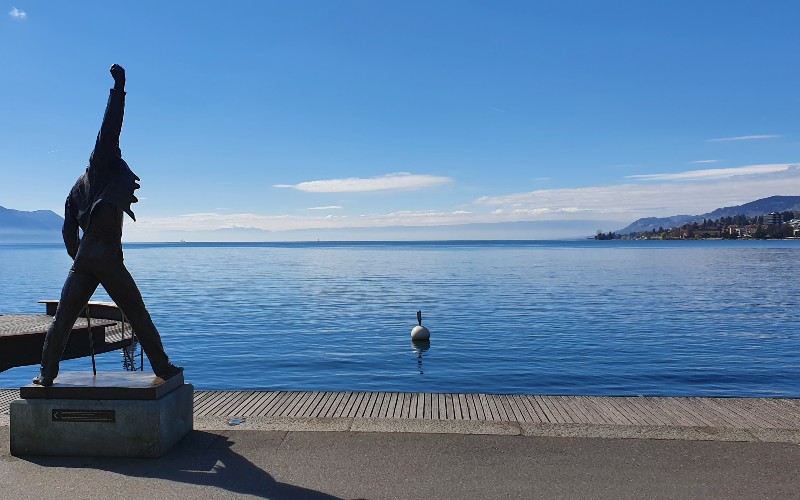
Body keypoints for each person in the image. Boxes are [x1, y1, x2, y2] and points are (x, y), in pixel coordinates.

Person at [33, 64, 182, 386]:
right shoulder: (102, 165)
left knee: (62, 320)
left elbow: (67, 231)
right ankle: (163, 366)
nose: (117, 151)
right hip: (106, 256)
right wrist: (119, 87)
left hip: (86, 258)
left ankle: (46, 374)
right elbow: (110, 126)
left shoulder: (77, 187)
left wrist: (81, 259)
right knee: (137, 312)